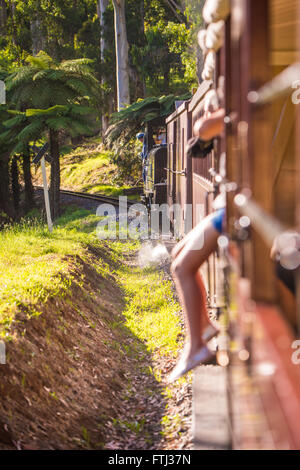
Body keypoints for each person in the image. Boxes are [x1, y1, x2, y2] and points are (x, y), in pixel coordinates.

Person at [168, 106, 226, 383]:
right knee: (178, 253)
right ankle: (204, 328)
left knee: (182, 267)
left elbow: (202, 129)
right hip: (225, 208)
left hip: (232, 212)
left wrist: (208, 116)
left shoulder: (238, 100)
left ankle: (196, 349)